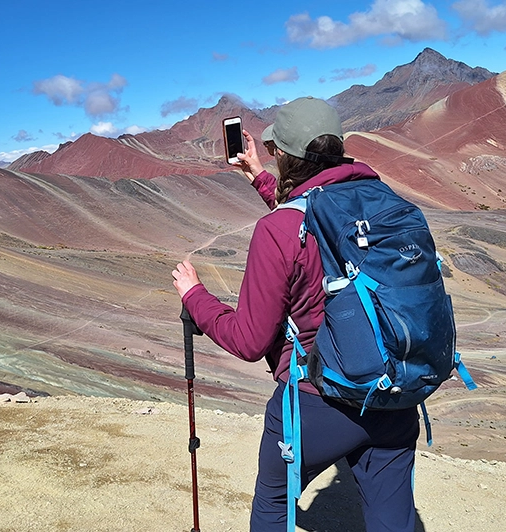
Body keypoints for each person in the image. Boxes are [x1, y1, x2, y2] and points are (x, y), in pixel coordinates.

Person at [172, 97, 419, 531]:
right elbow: (320, 226)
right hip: (396, 390)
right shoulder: (382, 200)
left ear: (285, 155)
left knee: (274, 505)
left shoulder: (277, 230)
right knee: (391, 519)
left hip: (318, 401)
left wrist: (196, 297)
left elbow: (249, 341)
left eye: (273, 151)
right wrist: (261, 180)